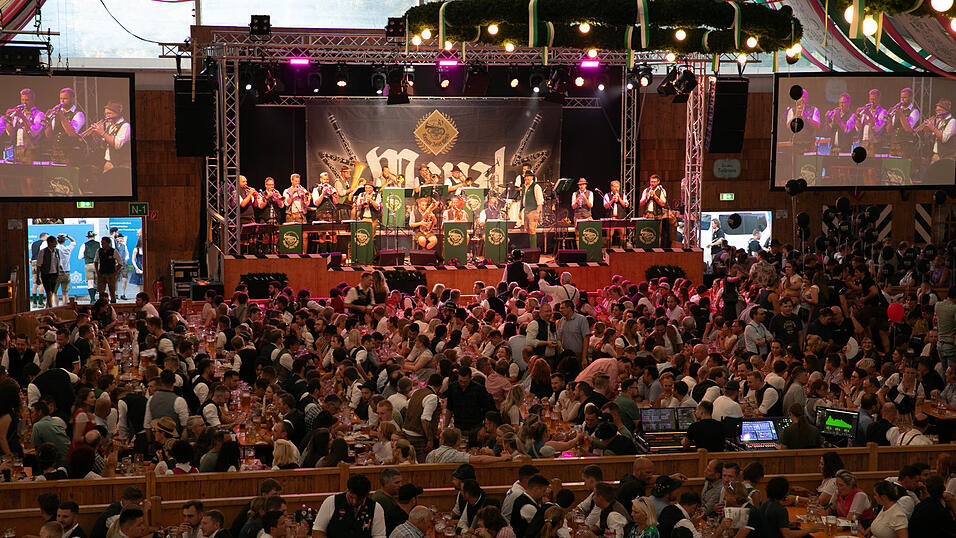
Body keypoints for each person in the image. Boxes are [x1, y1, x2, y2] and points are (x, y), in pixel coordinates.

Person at [312, 474, 386, 538]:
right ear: (348, 490)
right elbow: (317, 531)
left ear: (366, 495)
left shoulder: (376, 508)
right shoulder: (331, 502)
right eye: (351, 497)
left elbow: (379, 535)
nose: (354, 502)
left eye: (359, 499)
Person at [1, 88, 44, 163]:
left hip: (30, 151)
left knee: (29, 173)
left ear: (33, 100)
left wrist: (23, 117)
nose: (24, 103)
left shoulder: (39, 114)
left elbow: (34, 132)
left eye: (27, 100)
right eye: (22, 100)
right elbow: (10, 134)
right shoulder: (17, 115)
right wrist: (9, 121)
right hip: (17, 150)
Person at [94, 236, 122, 304]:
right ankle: (102, 304)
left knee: (112, 291)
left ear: (108, 243)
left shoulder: (114, 251)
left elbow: (120, 263)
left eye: (103, 243)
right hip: (102, 273)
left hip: (111, 273)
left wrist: (115, 273)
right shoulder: (99, 251)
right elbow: (96, 261)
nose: (102, 244)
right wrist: (97, 271)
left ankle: (113, 304)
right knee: (101, 291)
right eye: (101, 243)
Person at [518, 172, 544, 247]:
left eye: (528, 176)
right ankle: (531, 249)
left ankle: (534, 250)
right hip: (526, 210)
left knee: (532, 230)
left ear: (532, 177)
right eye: (525, 177)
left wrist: (537, 213)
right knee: (528, 230)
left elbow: (540, 201)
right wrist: (520, 211)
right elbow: (523, 199)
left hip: (533, 210)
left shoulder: (536, 186)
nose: (526, 178)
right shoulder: (524, 187)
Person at [38, 235, 61, 308]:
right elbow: (39, 265)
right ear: (50, 243)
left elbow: (58, 262)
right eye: (55, 242)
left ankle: (47, 307)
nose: (56, 243)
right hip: (46, 274)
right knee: (48, 291)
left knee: (52, 291)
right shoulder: (43, 252)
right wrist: (38, 277)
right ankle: (51, 307)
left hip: (55, 274)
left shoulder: (57, 251)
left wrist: (60, 270)